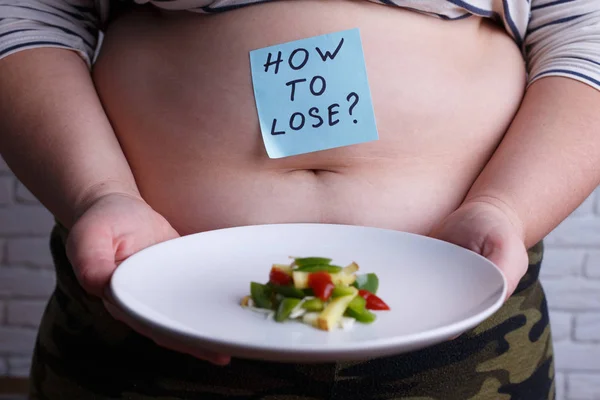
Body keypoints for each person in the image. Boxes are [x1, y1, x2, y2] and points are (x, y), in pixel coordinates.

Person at [0, 0, 599, 399]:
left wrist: (508, 208)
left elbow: (586, 33)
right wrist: (98, 194)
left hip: (462, 320)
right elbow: (28, 15)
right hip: (144, 303)